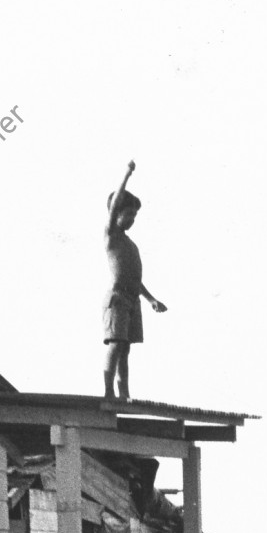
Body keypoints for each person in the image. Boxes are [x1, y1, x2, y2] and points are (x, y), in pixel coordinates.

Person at [103, 161, 167, 400]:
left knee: (125, 349)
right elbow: (116, 202)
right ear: (117, 213)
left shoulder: (131, 245)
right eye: (128, 214)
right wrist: (127, 174)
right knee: (116, 344)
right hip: (117, 298)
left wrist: (151, 300)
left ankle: (124, 390)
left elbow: (135, 279)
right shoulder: (112, 236)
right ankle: (109, 390)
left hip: (132, 300)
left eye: (134, 216)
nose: (131, 219)